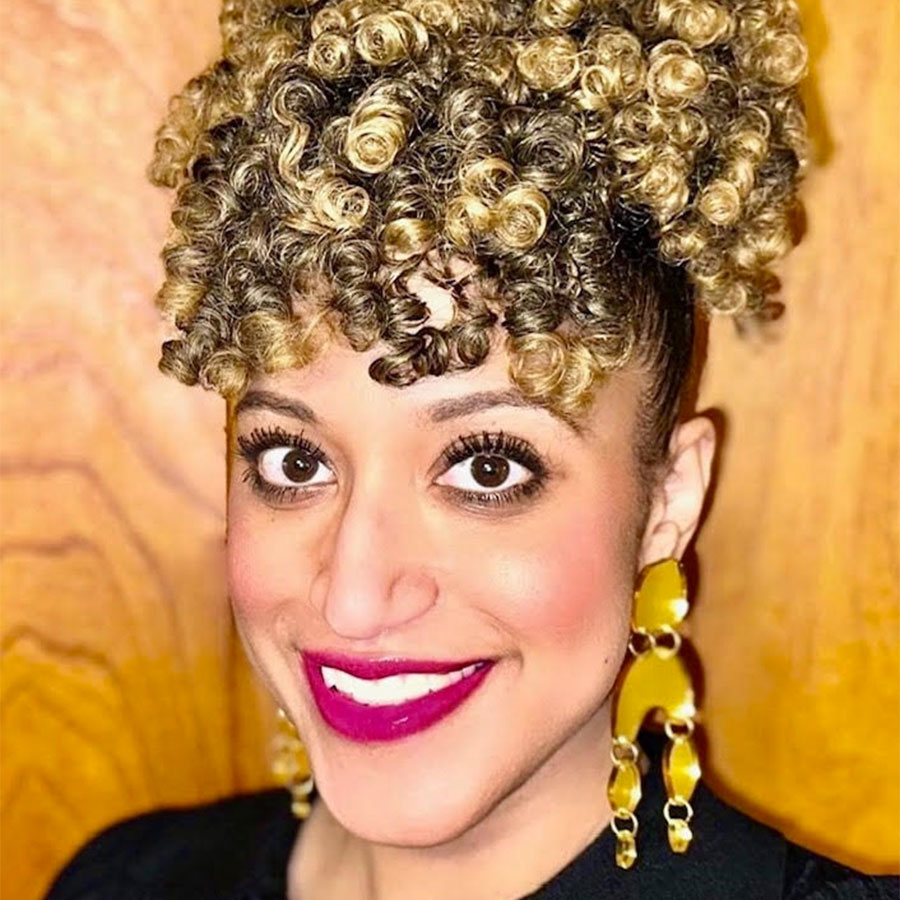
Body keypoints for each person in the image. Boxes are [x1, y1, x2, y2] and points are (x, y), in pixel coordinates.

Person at [46, 0, 899, 897]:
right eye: (295, 463)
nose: (355, 597)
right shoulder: (125, 881)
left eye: (486, 468)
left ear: (668, 503)